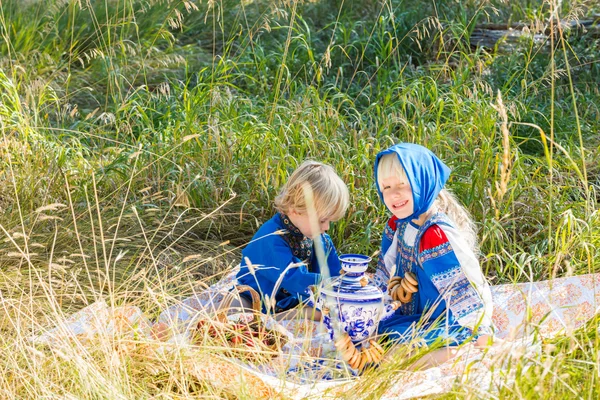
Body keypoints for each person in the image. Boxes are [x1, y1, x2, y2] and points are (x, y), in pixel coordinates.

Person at [372, 143, 494, 367]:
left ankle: (462, 352)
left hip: (449, 319)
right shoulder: (399, 225)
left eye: (403, 184)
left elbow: (470, 284)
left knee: (393, 358)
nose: (394, 194)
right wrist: (371, 308)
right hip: (416, 317)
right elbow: (384, 272)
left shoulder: (437, 234)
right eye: (386, 187)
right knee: (373, 339)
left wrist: (480, 328)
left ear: (423, 182)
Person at [233, 160, 350, 321]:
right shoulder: (271, 237)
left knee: (327, 312)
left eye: (329, 221)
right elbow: (292, 278)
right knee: (235, 309)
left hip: (293, 301)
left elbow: (333, 272)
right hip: (257, 296)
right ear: (295, 210)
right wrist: (328, 285)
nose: (327, 227)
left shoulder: (320, 239)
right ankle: (269, 319)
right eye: (322, 220)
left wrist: (347, 283)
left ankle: (280, 318)